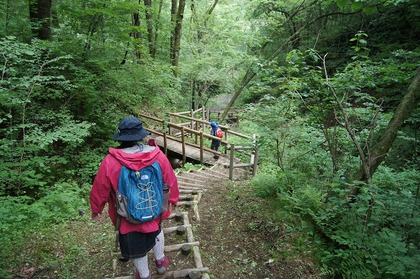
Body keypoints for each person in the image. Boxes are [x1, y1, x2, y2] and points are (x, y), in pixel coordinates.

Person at [90, 116, 179, 279]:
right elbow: (170, 179)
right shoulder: (157, 156)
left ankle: (144, 275)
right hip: (155, 208)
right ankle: (160, 262)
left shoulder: (110, 161)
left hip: (126, 215)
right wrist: (173, 199)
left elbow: (100, 188)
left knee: (136, 243)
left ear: (121, 137)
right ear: (141, 135)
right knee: (156, 229)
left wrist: (96, 209)